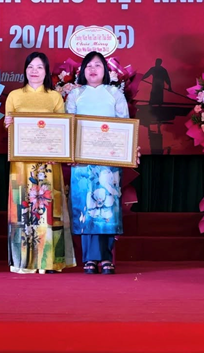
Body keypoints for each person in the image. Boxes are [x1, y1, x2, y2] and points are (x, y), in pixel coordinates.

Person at [3, 52, 76, 274]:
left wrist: (58, 151)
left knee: (48, 207)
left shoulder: (54, 97)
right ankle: (24, 262)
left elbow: (61, 129)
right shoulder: (14, 96)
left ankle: (49, 261)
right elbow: (10, 131)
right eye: (30, 67)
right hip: (21, 162)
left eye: (39, 67)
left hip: (48, 160)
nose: (34, 71)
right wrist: (8, 124)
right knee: (23, 207)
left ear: (46, 72)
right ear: (25, 70)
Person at [66, 52, 135, 275]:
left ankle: (106, 257)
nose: (93, 69)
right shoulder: (75, 94)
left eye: (97, 65)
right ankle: (89, 258)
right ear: (82, 71)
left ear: (105, 70)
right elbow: (69, 126)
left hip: (108, 160)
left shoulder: (114, 93)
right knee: (86, 207)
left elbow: (124, 125)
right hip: (82, 160)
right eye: (88, 65)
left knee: (107, 208)